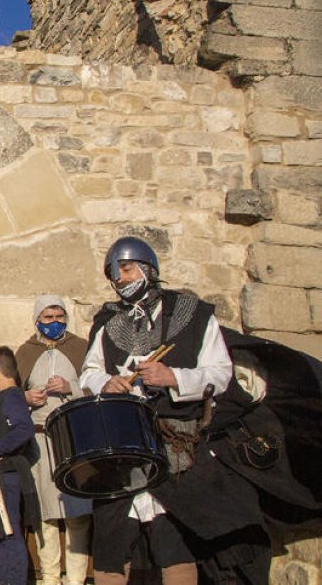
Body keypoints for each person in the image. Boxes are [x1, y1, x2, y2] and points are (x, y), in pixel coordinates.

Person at [79, 236, 233, 585]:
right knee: (110, 542)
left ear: (149, 268)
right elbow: (88, 372)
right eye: (113, 274)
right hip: (119, 445)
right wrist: (105, 382)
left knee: (174, 542)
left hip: (174, 442)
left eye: (127, 268)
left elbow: (221, 374)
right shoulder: (107, 321)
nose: (119, 279)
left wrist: (173, 377)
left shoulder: (192, 315)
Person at [15, 295, 92, 585]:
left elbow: (97, 386)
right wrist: (26, 397)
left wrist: (70, 386)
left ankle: (75, 579)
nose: (55, 322)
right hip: (40, 439)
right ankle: (49, 577)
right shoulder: (26, 352)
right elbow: (9, 396)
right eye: (48, 317)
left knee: (78, 512)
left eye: (60, 316)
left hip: (73, 437)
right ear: (37, 320)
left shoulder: (80, 348)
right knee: (45, 513)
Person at [0, 346, 40, 585]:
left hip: (8, 475)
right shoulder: (1, 400)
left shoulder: (12, 396)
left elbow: (24, 429)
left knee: (9, 533)